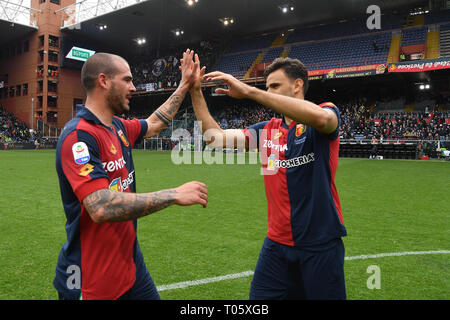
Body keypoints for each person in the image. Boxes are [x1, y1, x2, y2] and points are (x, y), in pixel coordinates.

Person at [54, 50, 208, 300]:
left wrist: (184, 85)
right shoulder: (79, 137)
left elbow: (156, 123)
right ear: (103, 81)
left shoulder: (118, 127)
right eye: (127, 80)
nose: (134, 87)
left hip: (131, 267)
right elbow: (101, 206)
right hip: (91, 278)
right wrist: (174, 194)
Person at [189, 55, 347, 299]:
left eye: (275, 86)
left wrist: (251, 92)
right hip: (276, 245)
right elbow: (215, 138)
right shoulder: (267, 130)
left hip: (320, 245)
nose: (269, 91)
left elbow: (323, 120)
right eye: (267, 87)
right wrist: (195, 91)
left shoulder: (326, 112)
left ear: (297, 85)